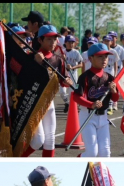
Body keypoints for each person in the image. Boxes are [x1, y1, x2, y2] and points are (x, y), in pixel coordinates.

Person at [20, 25, 73, 157]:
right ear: (40, 40)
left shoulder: (58, 59)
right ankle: (18, 158)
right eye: (49, 39)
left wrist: (67, 81)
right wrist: (36, 63)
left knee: (50, 140)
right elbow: (24, 79)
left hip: (49, 103)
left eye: (55, 39)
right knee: (38, 140)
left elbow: (63, 80)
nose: (53, 42)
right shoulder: (30, 57)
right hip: (33, 103)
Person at [72, 43, 119, 157]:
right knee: (92, 152)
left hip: (103, 118)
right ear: (90, 58)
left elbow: (115, 98)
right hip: (88, 117)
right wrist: (91, 104)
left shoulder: (109, 77)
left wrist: (114, 91)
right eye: (100, 56)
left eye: (106, 57)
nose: (104, 59)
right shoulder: (84, 77)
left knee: (105, 152)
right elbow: (76, 97)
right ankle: (80, 159)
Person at [61, 35, 83, 113]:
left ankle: (73, 108)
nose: (71, 44)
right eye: (69, 42)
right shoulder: (62, 52)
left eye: (72, 42)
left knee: (72, 93)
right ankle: (67, 103)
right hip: (64, 75)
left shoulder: (76, 52)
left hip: (73, 75)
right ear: (65, 42)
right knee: (62, 92)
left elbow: (81, 64)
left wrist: (73, 67)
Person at [107, 31, 124, 113]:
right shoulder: (106, 48)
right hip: (109, 69)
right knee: (110, 86)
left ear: (116, 38)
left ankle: (114, 103)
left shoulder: (120, 48)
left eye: (113, 37)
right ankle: (110, 104)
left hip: (118, 69)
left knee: (117, 87)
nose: (112, 38)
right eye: (110, 37)